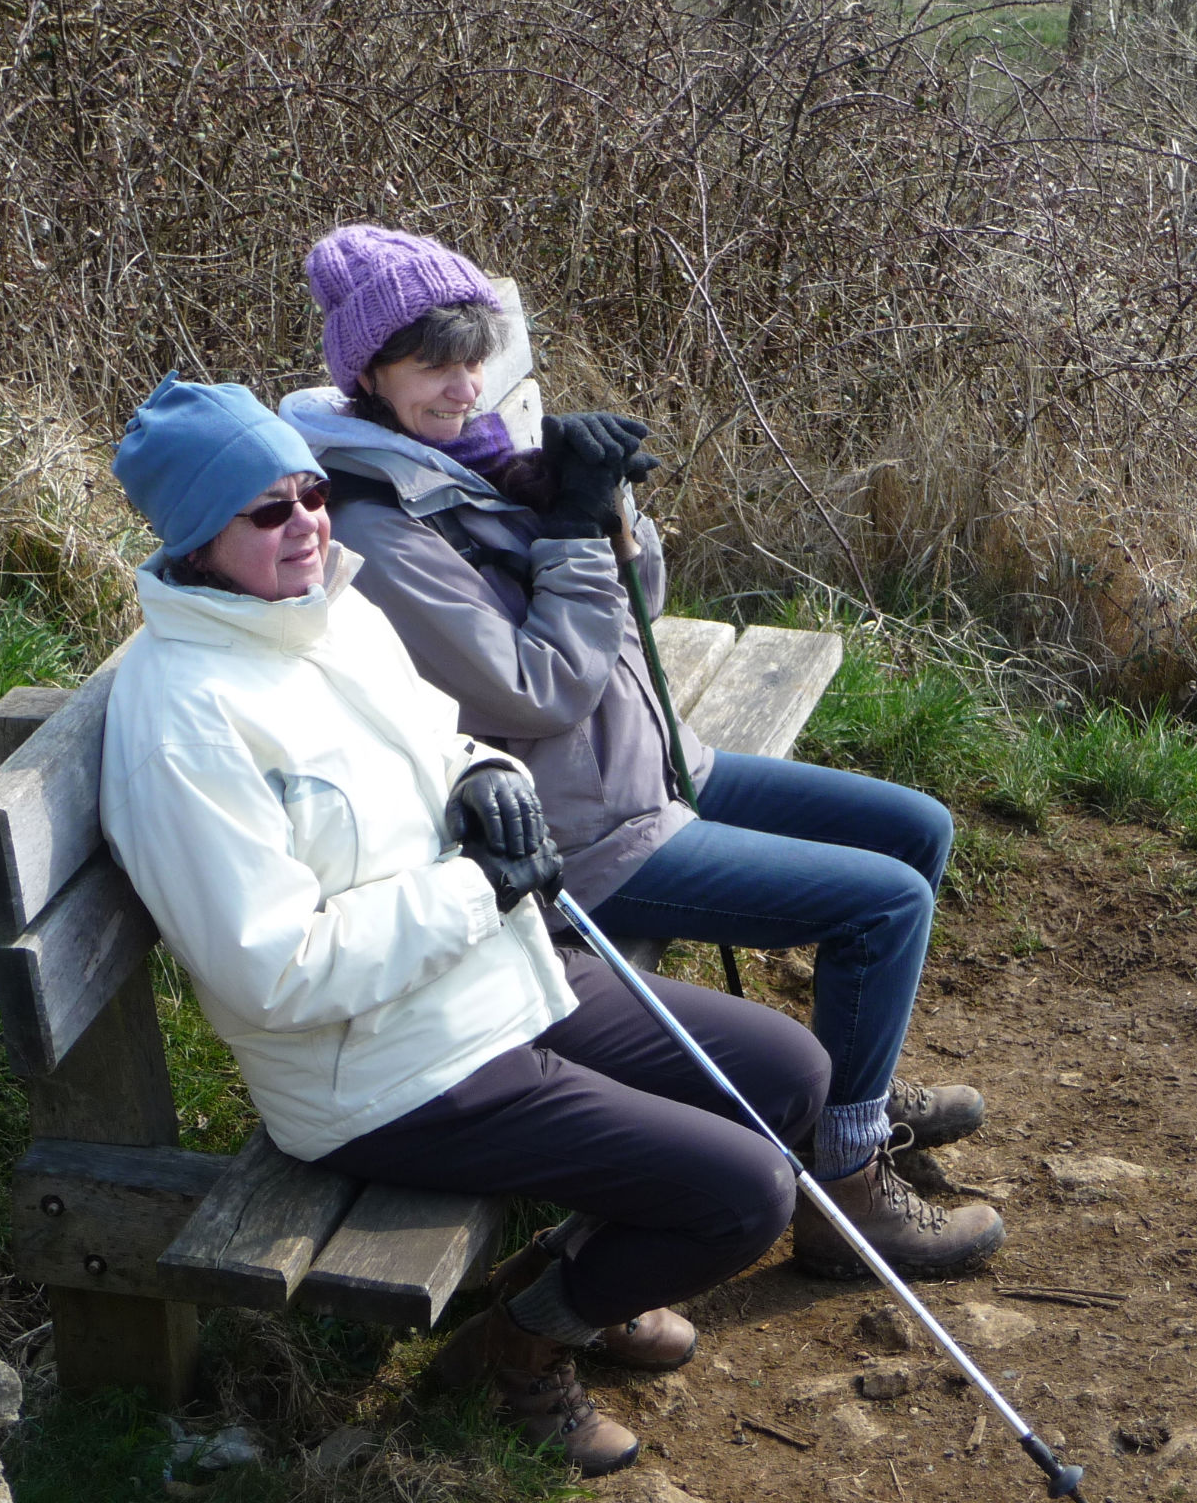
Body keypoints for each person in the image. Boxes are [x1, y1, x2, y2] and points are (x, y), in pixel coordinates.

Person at [97, 374, 830, 1476]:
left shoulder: (333, 613)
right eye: (267, 510)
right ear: (197, 537)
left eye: (310, 493)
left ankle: (574, 1274)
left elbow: (439, 743)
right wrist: (473, 890)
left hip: (496, 974)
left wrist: (486, 776)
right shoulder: (183, 725)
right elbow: (270, 973)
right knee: (744, 1195)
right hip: (380, 1070)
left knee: (787, 1070)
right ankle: (517, 1349)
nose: (305, 522)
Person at [278, 225, 1004, 1279]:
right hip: (579, 838)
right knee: (884, 905)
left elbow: (637, 620)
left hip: (653, 765)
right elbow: (536, 692)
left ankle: (850, 1087)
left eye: (474, 353)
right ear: (367, 374)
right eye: (432, 361)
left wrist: (610, 514)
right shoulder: (378, 528)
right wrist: (568, 533)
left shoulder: (472, 467)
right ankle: (843, 1182)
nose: (465, 383)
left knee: (915, 829)